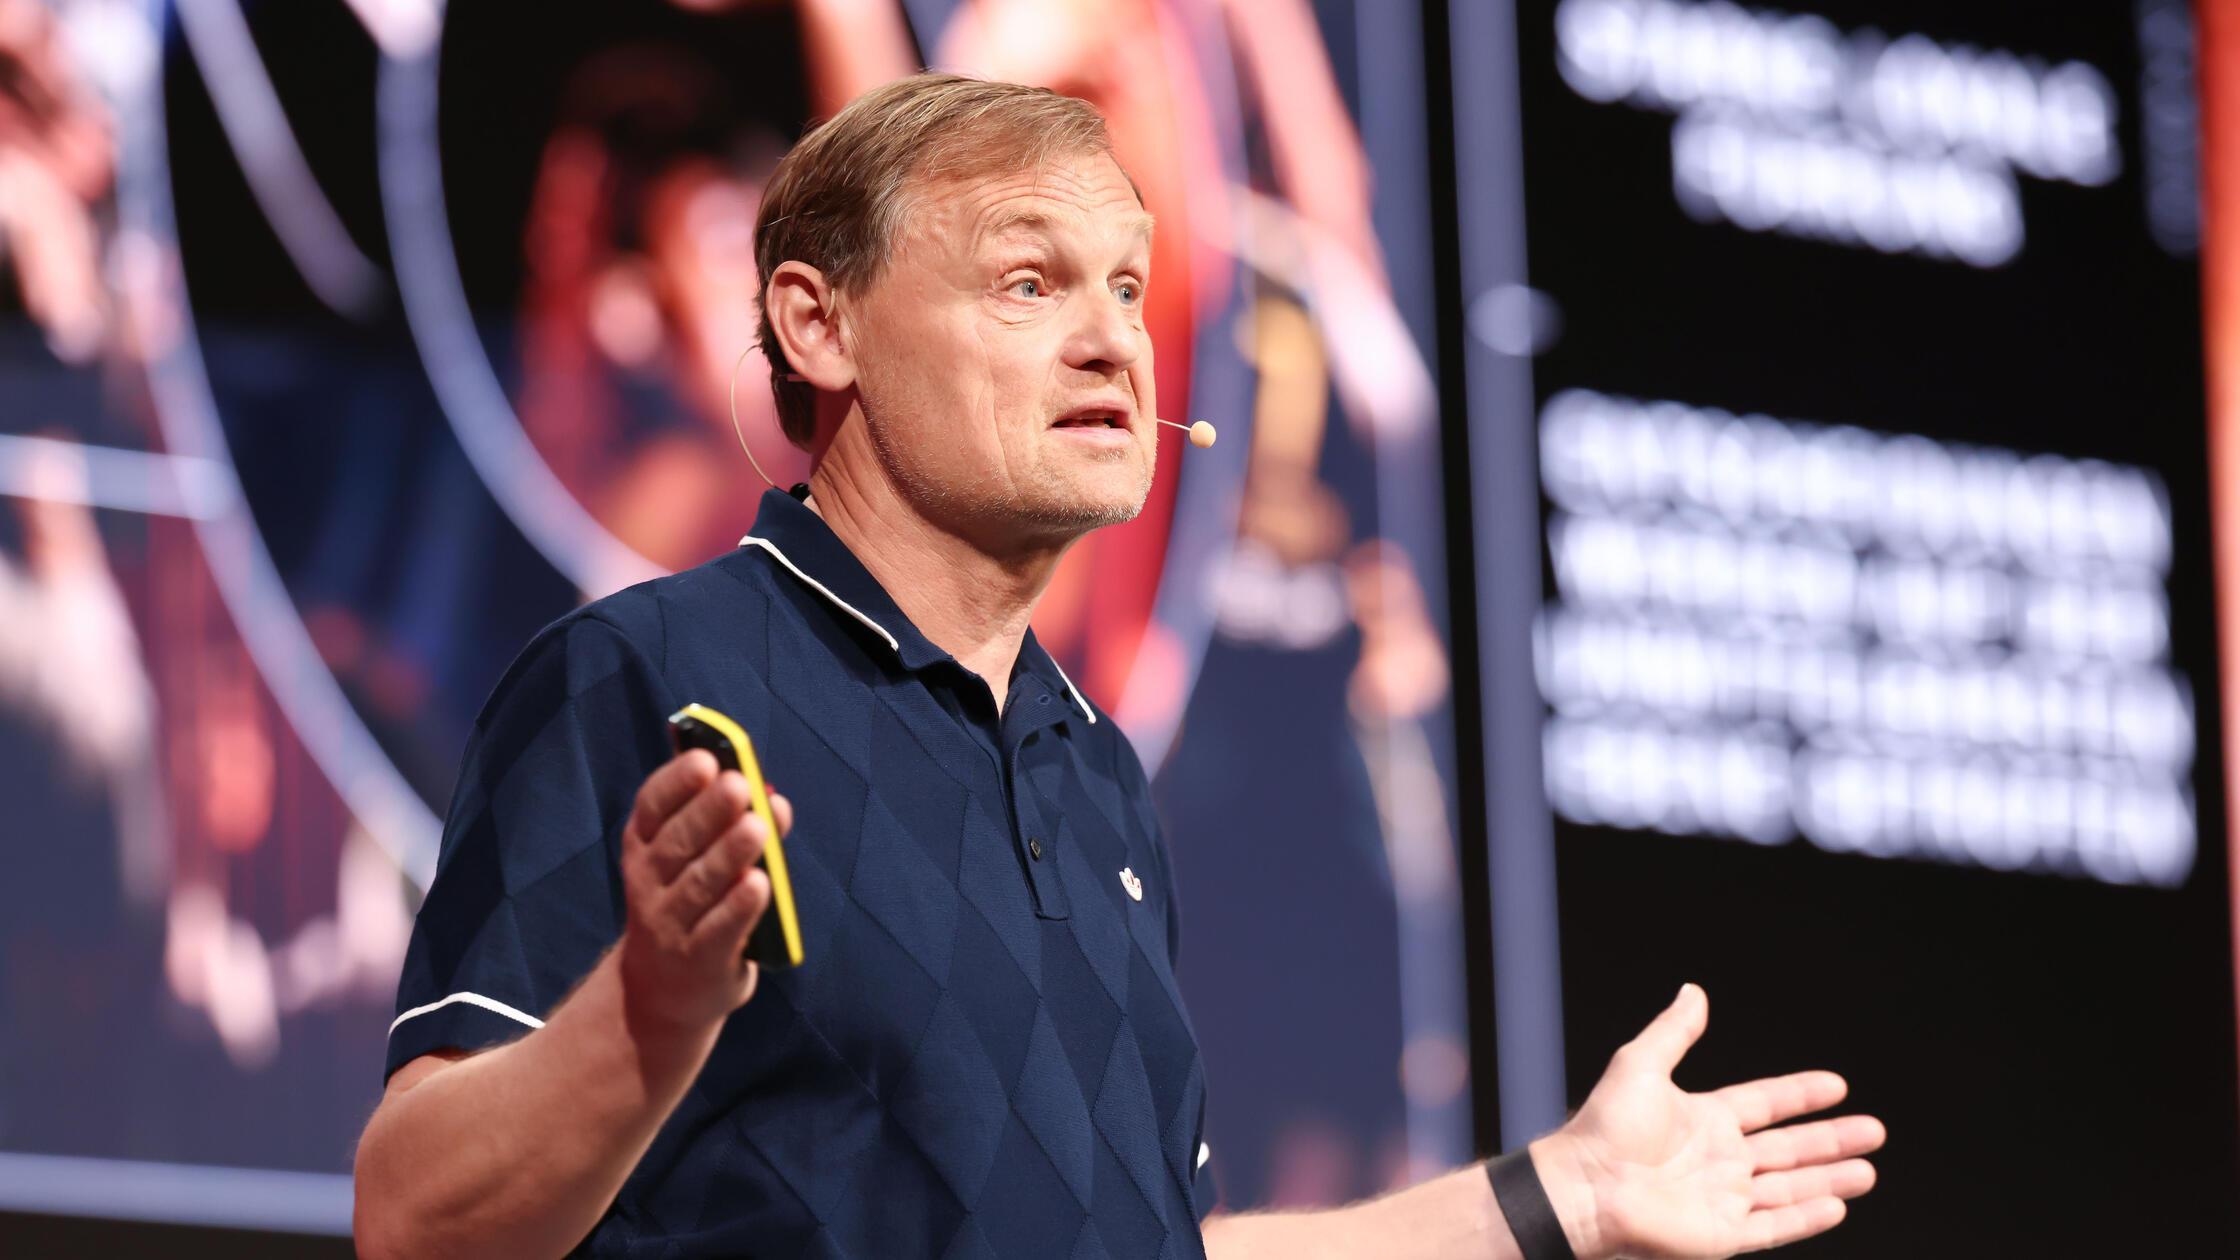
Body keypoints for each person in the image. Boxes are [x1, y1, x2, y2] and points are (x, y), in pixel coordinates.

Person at [352, 72, 1884, 1260]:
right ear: (818, 328)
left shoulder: (1093, 775)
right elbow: (414, 1222)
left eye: (1130, 288)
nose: (1116, 346)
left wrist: (1558, 1200)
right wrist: (650, 1012)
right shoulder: (643, 674)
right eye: (1031, 283)